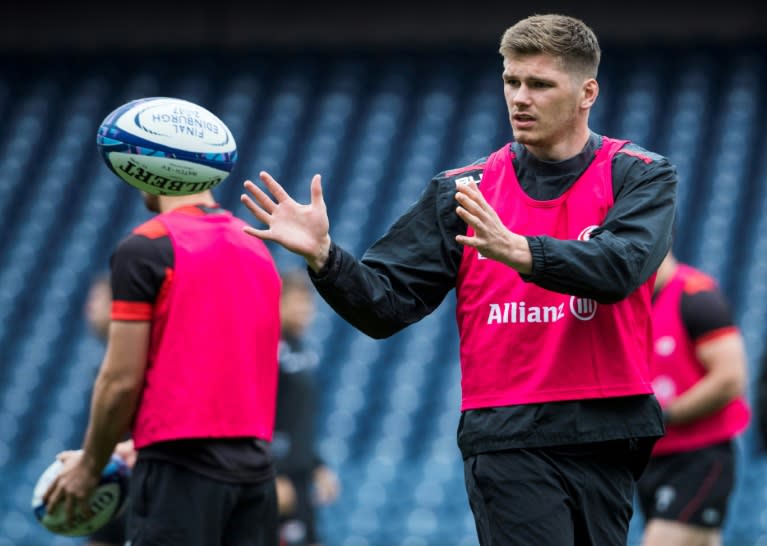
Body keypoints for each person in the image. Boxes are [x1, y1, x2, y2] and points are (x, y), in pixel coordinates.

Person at [240, 13, 678, 546]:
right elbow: (385, 305)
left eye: (540, 84)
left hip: (610, 424)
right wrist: (326, 258)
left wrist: (518, 250)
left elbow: (622, 268)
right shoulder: (461, 190)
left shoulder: (640, 173)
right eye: (511, 81)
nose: (520, 97)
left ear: (588, 92)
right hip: (508, 429)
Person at [43, 187, 283, 546]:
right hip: (256, 474)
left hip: (179, 476)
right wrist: (138, 444)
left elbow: (120, 381)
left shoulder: (147, 244)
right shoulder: (253, 245)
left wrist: (91, 465)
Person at [638, 251, 750, 546]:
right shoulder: (630, 299)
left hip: (699, 455)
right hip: (652, 458)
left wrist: (667, 415)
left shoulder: (697, 296)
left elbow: (730, 378)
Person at [273, 269, 340, 546]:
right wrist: (271, 474)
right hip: (276, 478)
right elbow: (260, 415)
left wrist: (318, 465)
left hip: (299, 476)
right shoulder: (266, 349)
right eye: (296, 302)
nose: (305, 310)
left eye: (308, 303)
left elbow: (298, 422)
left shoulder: (302, 351)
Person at [81, 274, 132, 546]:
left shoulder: (133, 364)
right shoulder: (104, 362)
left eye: (97, 299)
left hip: (142, 490)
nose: (88, 308)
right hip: (114, 489)